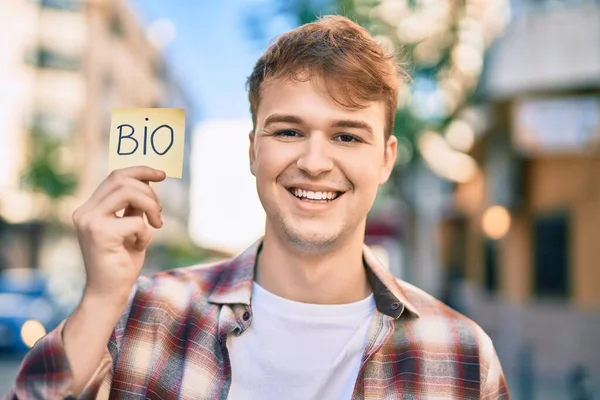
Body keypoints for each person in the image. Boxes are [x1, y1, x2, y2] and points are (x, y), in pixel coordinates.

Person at [5, 15, 508, 400]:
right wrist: (99, 300)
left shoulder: (463, 354)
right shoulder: (143, 315)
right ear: (252, 151)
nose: (314, 162)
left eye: (347, 135)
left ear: (385, 159)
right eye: (289, 131)